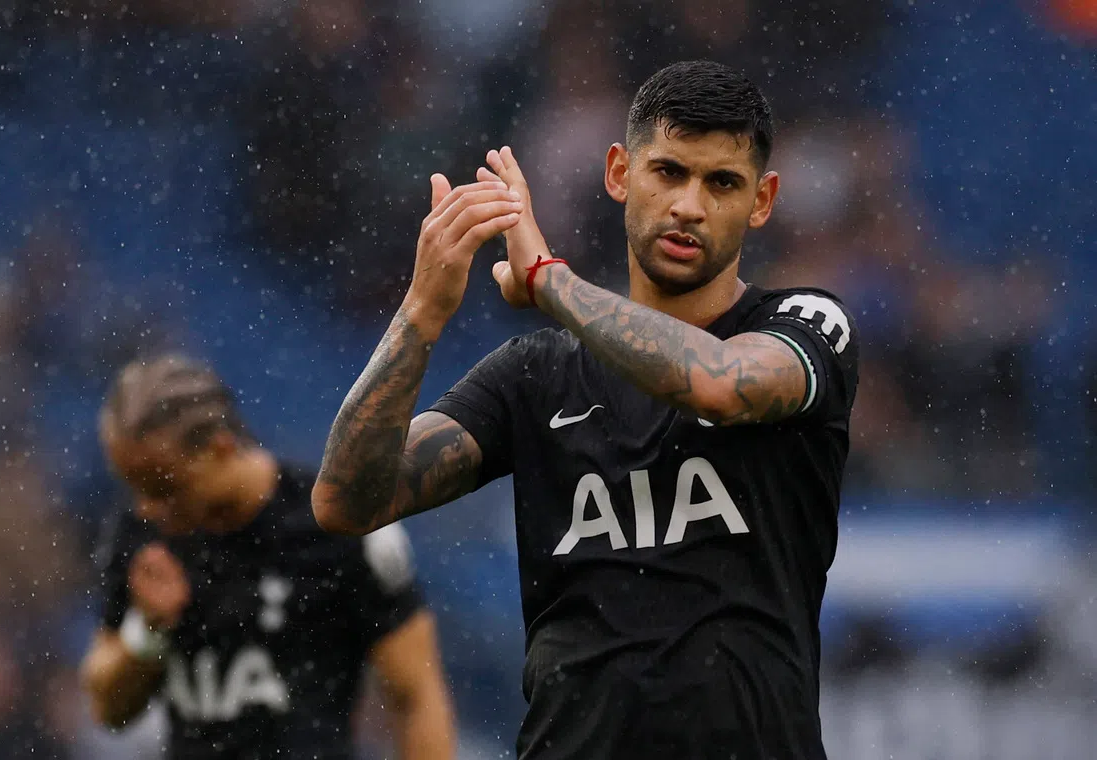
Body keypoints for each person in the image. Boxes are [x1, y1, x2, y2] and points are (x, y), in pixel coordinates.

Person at [312, 59, 860, 760]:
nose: (689, 205)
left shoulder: (808, 324)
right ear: (619, 174)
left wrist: (548, 279)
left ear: (762, 200)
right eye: (668, 172)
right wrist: (421, 312)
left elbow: (721, 384)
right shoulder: (535, 376)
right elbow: (346, 502)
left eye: (721, 182)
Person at [79, 354, 457, 760]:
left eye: (164, 487)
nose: (149, 509)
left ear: (220, 449)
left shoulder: (336, 523)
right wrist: (148, 631)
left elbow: (415, 695)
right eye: (136, 488)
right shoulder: (142, 537)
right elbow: (108, 709)